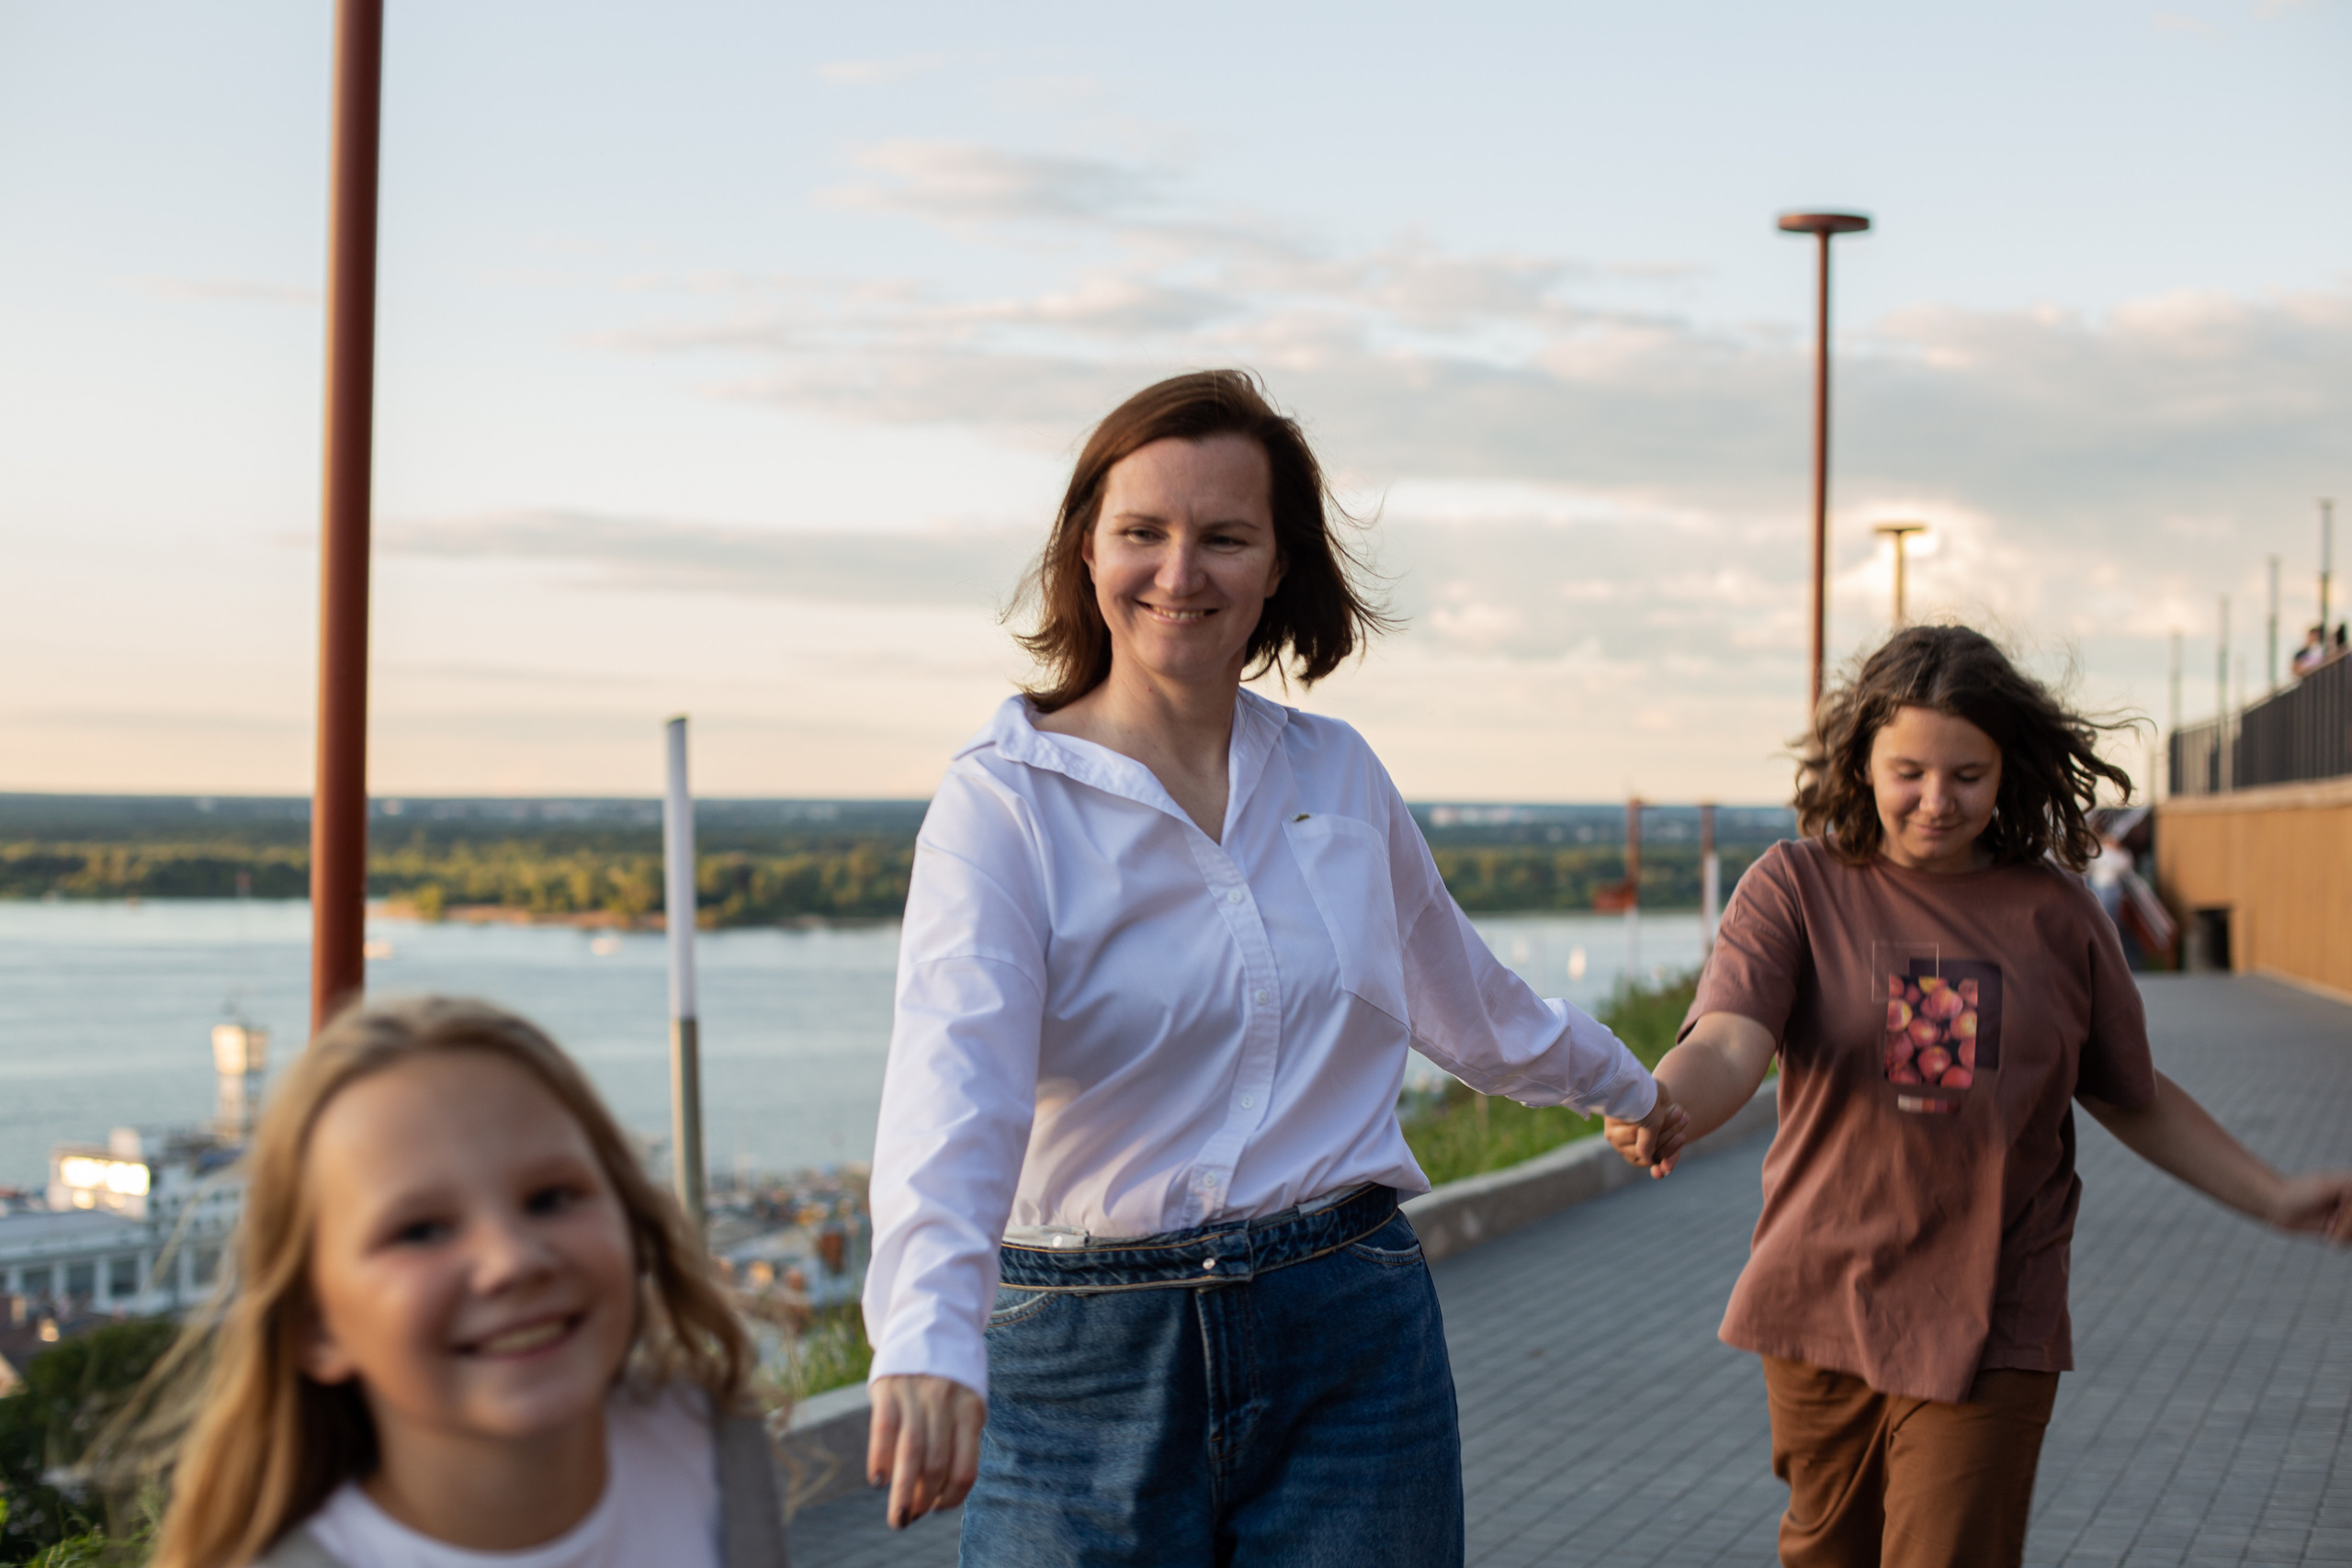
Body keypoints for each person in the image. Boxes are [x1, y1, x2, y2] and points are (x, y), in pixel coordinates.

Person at [860, 369, 1686, 1566]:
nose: (1179, 572)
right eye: (1142, 531)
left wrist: (1631, 1089)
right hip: (1084, 1355)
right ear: (1087, 549)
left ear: (1277, 565)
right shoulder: (1005, 801)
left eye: (1224, 536)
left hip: (1347, 1332)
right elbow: (953, 1086)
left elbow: (1469, 1000)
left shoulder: (1337, 774)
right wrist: (925, 1335)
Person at [1603, 625, 2352, 1568]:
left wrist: (2274, 1196)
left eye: (1967, 774)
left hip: (1996, 1307)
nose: (1935, 801)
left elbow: (2131, 1095)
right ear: (1861, 760)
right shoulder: (1795, 887)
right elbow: (1727, 1040)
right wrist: (1660, 1098)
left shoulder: (2057, 914)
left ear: (2007, 771)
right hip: (1822, 1300)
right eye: (1907, 770)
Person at [141, 998, 789, 1568]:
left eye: (551, 1197)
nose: (511, 1259)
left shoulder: (708, 1448)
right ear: (317, 1325)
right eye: (421, 1231)